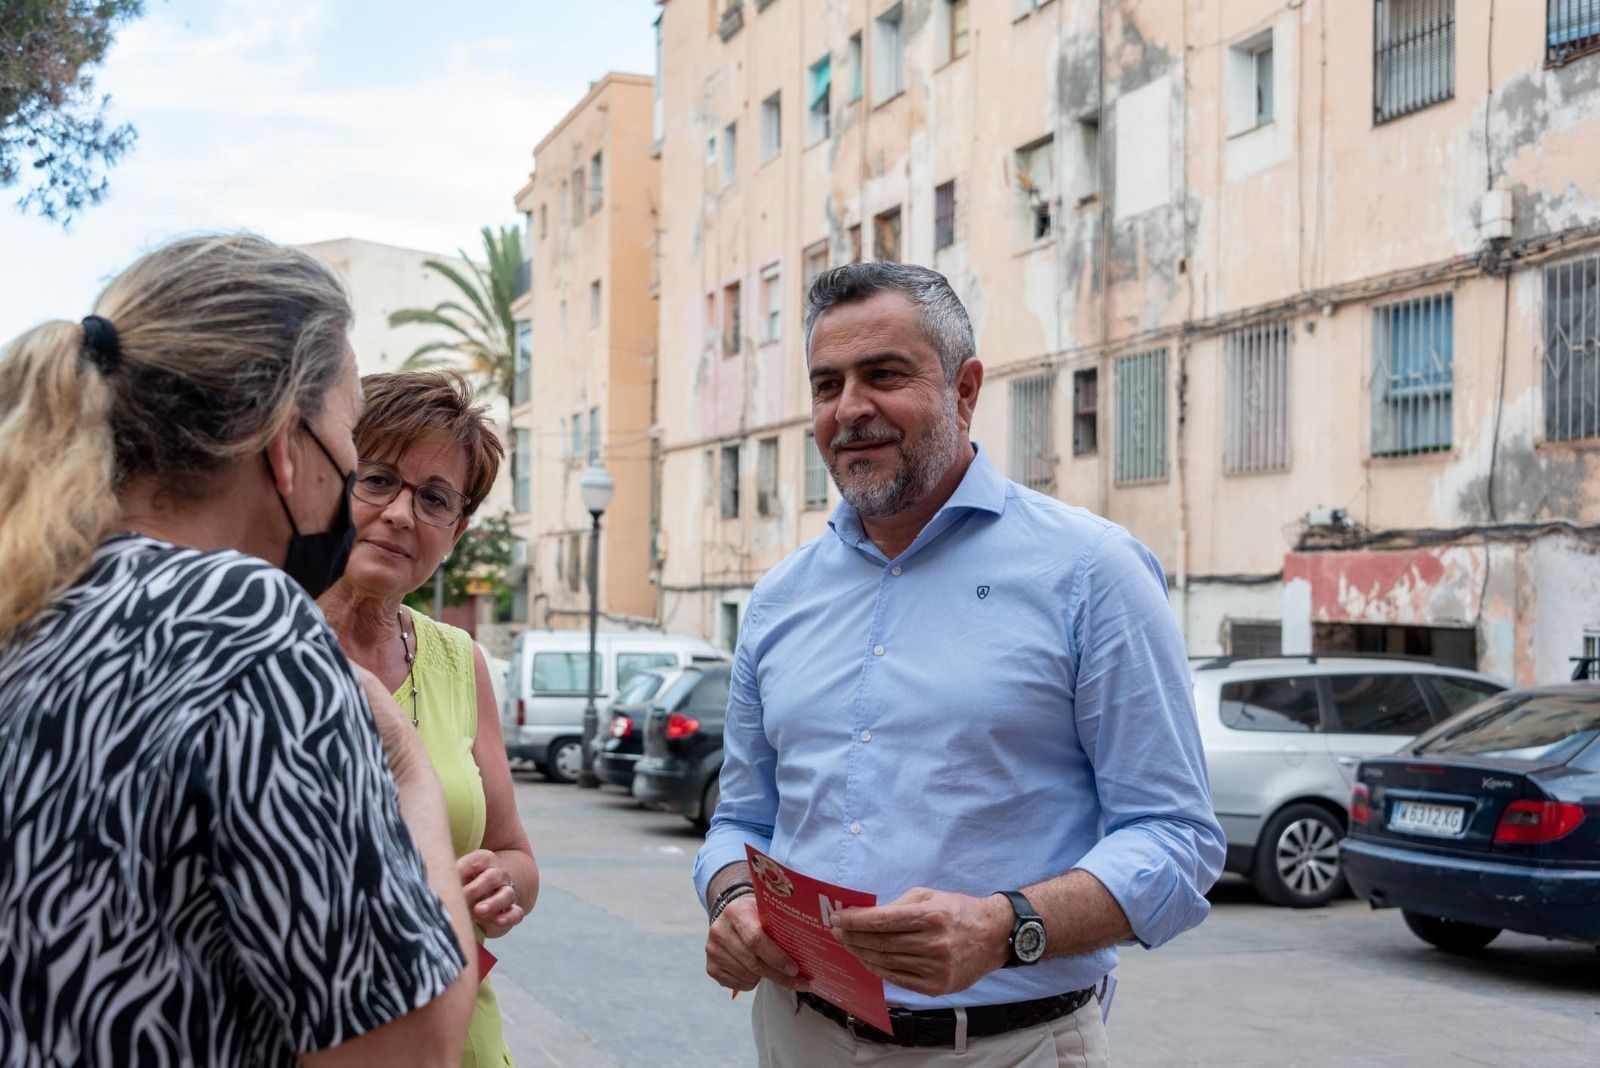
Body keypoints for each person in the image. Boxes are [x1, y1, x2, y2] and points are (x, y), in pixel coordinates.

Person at [694, 262, 1225, 1066]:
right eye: (826, 384)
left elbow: (1176, 840)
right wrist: (732, 899)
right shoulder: (777, 601)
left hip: (1005, 1047)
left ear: (965, 388)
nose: (850, 409)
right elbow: (741, 820)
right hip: (797, 1035)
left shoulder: (1091, 573)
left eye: (884, 375)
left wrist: (1003, 927)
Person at [0, 234, 476, 1067]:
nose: (358, 468)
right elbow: (414, 1044)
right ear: (285, 446)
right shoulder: (246, 623)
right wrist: (406, 766)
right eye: (351, 428)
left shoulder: (32, 593)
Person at [318, 370, 538, 1068]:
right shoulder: (267, 643)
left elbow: (516, 855)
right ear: (330, 478)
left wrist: (500, 884)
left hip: (462, 1040)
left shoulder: (459, 660)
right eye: (377, 479)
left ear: (457, 530)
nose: (401, 513)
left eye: (434, 498)